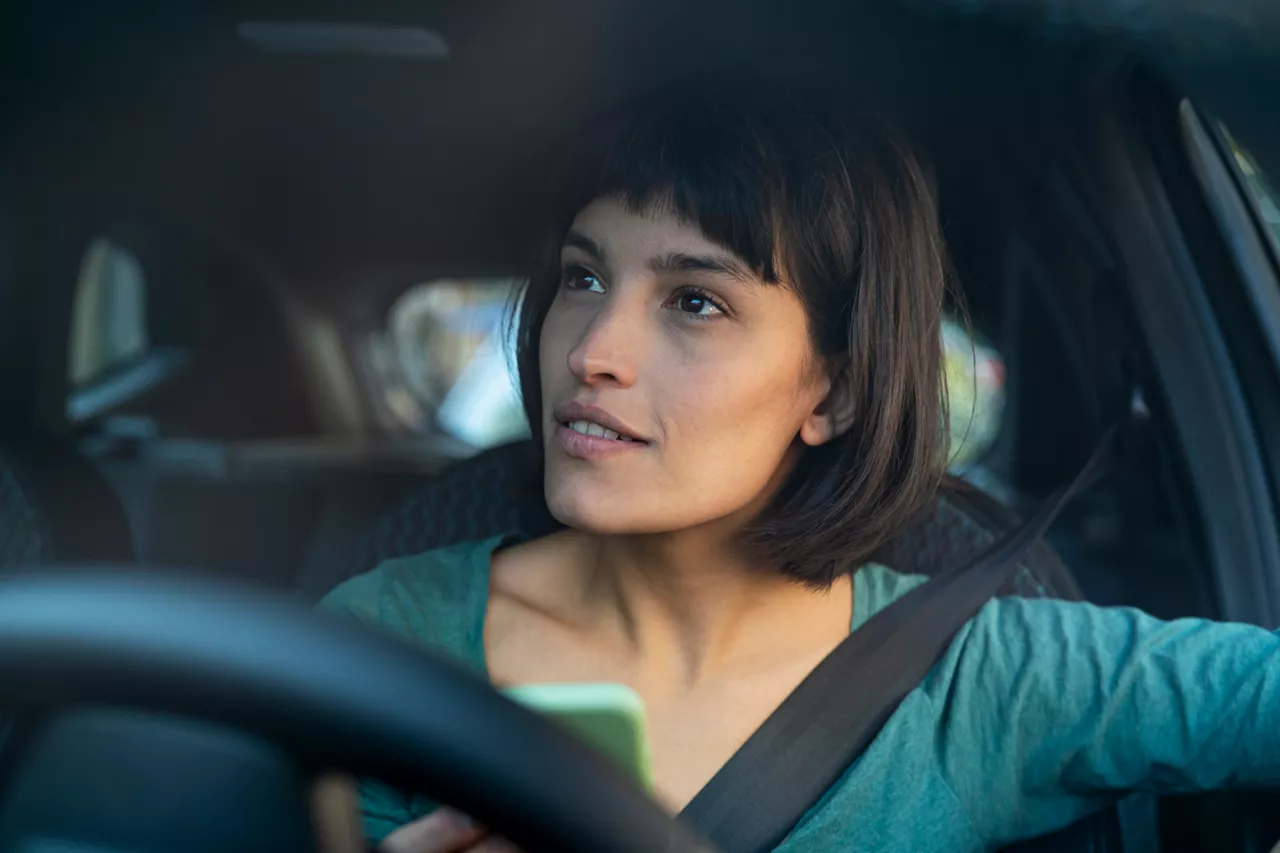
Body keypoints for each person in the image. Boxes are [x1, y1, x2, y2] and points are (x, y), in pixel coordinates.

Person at [320, 83, 1280, 852]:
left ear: (836, 392)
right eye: (584, 277)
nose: (592, 349)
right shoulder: (384, 639)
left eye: (695, 301)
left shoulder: (980, 679)